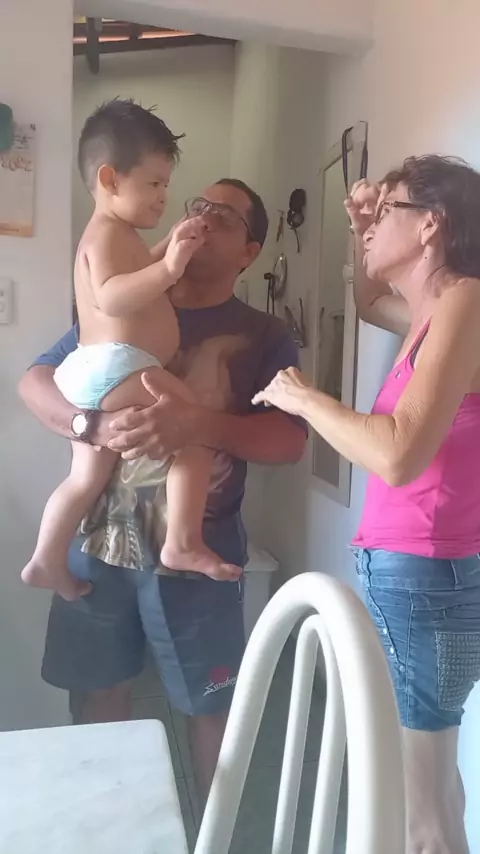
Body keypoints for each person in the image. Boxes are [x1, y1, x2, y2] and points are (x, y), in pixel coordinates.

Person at [19, 177, 307, 808]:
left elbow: (290, 440)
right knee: (98, 697)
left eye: (223, 216)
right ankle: (107, 826)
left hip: (201, 551)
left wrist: (199, 425)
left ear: (250, 252)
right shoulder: (128, 300)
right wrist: (88, 426)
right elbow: (37, 381)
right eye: (197, 206)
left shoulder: (264, 335)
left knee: (211, 707)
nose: (202, 218)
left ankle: (216, 835)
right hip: (97, 544)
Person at [253, 155, 480, 854]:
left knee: (420, 812)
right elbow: (367, 303)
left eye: (386, 213)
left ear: (432, 224)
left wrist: (304, 398)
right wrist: (361, 232)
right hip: (419, 574)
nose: (371, 224)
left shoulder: (466, 300)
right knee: (432, 787)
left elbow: (399, 454)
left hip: (426, 576)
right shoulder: (433, 313)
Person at [23, 99, 241, 603]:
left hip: (98, 369)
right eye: (154, 184)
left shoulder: (119, 234)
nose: (164, 196)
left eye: (166, 185)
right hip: (118, 366)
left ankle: (47, 559)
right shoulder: (104, 236)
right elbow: (112, 296)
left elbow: (136, 273)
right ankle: (182, 541)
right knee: (192, 429)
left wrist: (170, 244)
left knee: (86, 477)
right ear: (110, 178)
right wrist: (170, 268)